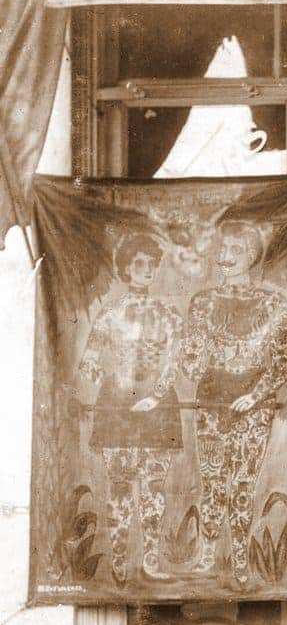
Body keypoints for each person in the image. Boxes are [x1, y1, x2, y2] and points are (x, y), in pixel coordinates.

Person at [179, 220, 287, 584]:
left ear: (250, 256)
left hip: (252, 408)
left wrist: (255, 396)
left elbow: (280, 364)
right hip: (212, 401)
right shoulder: (203, 303)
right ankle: (209, 557)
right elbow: (191, 360)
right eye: (223, 249)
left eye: (234, 250)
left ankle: (241, 560)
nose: (224, 257)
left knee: (243, 484)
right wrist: (187, 357)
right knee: (213, 482)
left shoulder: (273, 304)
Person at [79, 231, 183, 584]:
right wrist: (94, 375)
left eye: (152, 264)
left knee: (154, 487)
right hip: (117, 408)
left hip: (158, 407)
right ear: (125, 269)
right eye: (139, 264)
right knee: (119, 488)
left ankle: (151, 562)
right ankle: (120, 562)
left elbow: (177, 358)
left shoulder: (168, 314)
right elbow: (90, 357)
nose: (147, 269)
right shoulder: (111, 314)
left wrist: (156, 393)